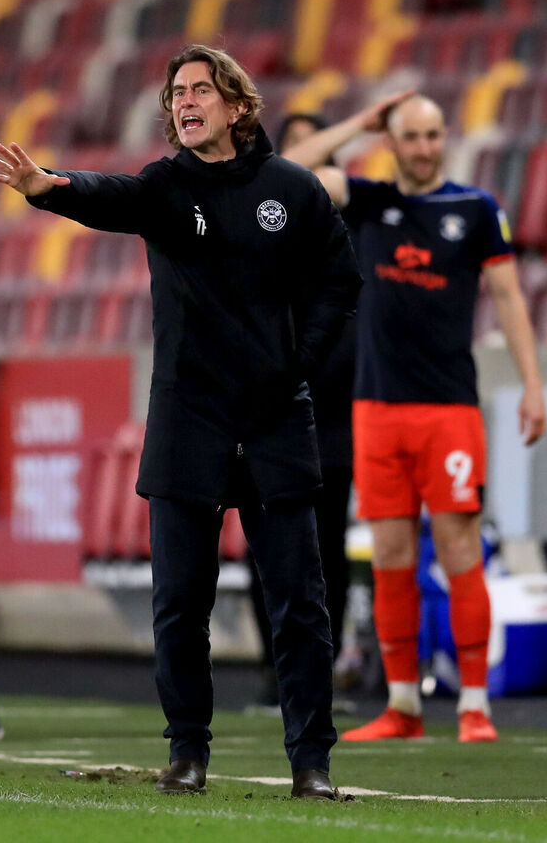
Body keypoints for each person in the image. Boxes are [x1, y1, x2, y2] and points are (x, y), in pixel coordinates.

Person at [0, 44, 362, 798]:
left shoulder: (294, 190)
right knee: (180, 601)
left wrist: (299, 361)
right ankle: (188, 750)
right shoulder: (165, 186)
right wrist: (46, 187)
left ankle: (311, 760)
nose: (184, 101)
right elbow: (108, 193)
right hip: (188, 417)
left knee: (300, 600)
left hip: (276, 419)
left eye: (199, 89)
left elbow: (339, 281)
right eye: (176, 92)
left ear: (237, 104)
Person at [285, 93, 546, 743]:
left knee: (460, 551)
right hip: (377, 410)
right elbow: (288, 172)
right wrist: (354, 121)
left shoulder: (476, 209)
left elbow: (509, 300)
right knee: (392, 556)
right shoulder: (369, 200)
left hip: (449, 409)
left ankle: (474, 705)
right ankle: (403, 706)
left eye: (434, 135)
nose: (426, 147)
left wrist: (532, 387)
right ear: (391, 141)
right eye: (412, 136)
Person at [244, 113, 356, 710]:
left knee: (326, 552)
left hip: (334, 418)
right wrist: (358, 123)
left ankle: (322, 669)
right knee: (270, 546)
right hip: (272, 410)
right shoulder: (258, 217)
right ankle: (275, 669)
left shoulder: (339, 220)